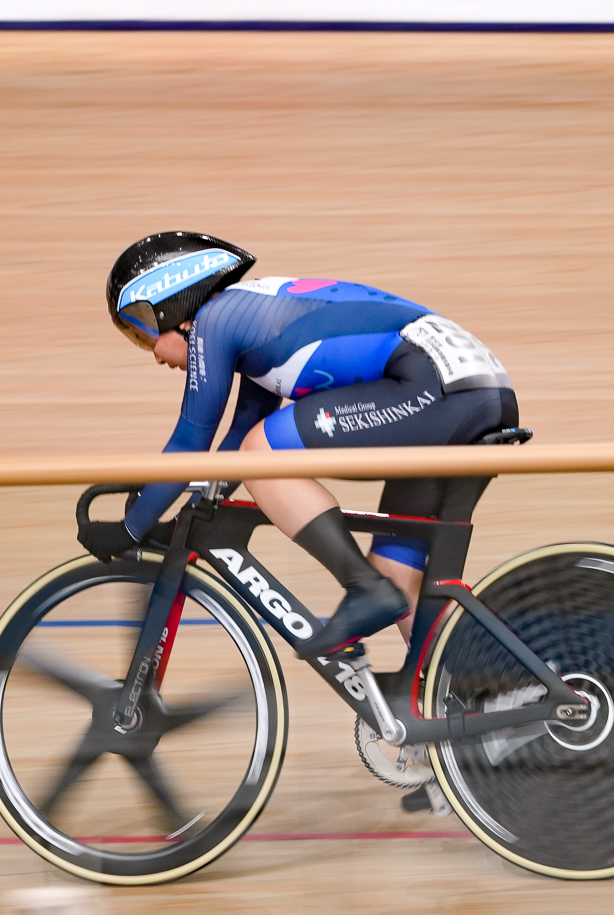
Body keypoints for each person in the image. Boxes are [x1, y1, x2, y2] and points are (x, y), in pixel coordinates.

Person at [81, 231, 519, 658]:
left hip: (435, 389)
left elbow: (191, 442)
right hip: (470, 392)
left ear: (174, 306)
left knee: (264, 456)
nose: (153, 353)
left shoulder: (215, 322)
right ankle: (472, 692)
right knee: (398, 580)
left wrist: (130, 528)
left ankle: (362, 587)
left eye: (142, 332)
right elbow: (234, 443)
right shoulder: (252, 319)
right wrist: (183, 514)